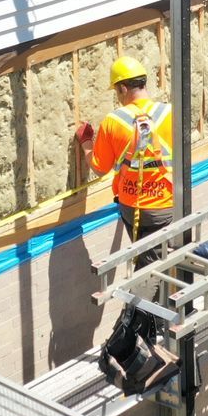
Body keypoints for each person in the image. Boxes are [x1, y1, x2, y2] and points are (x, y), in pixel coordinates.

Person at [76, 57, 174, 268]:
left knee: (149, 268)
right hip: (167, 202)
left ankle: (142, 298)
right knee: (162, 262)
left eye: (116, 91)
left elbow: (99, 168)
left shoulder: (114, 121)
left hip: (133, 204)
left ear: (122, 88)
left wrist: (85, 142)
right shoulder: (170, 113)